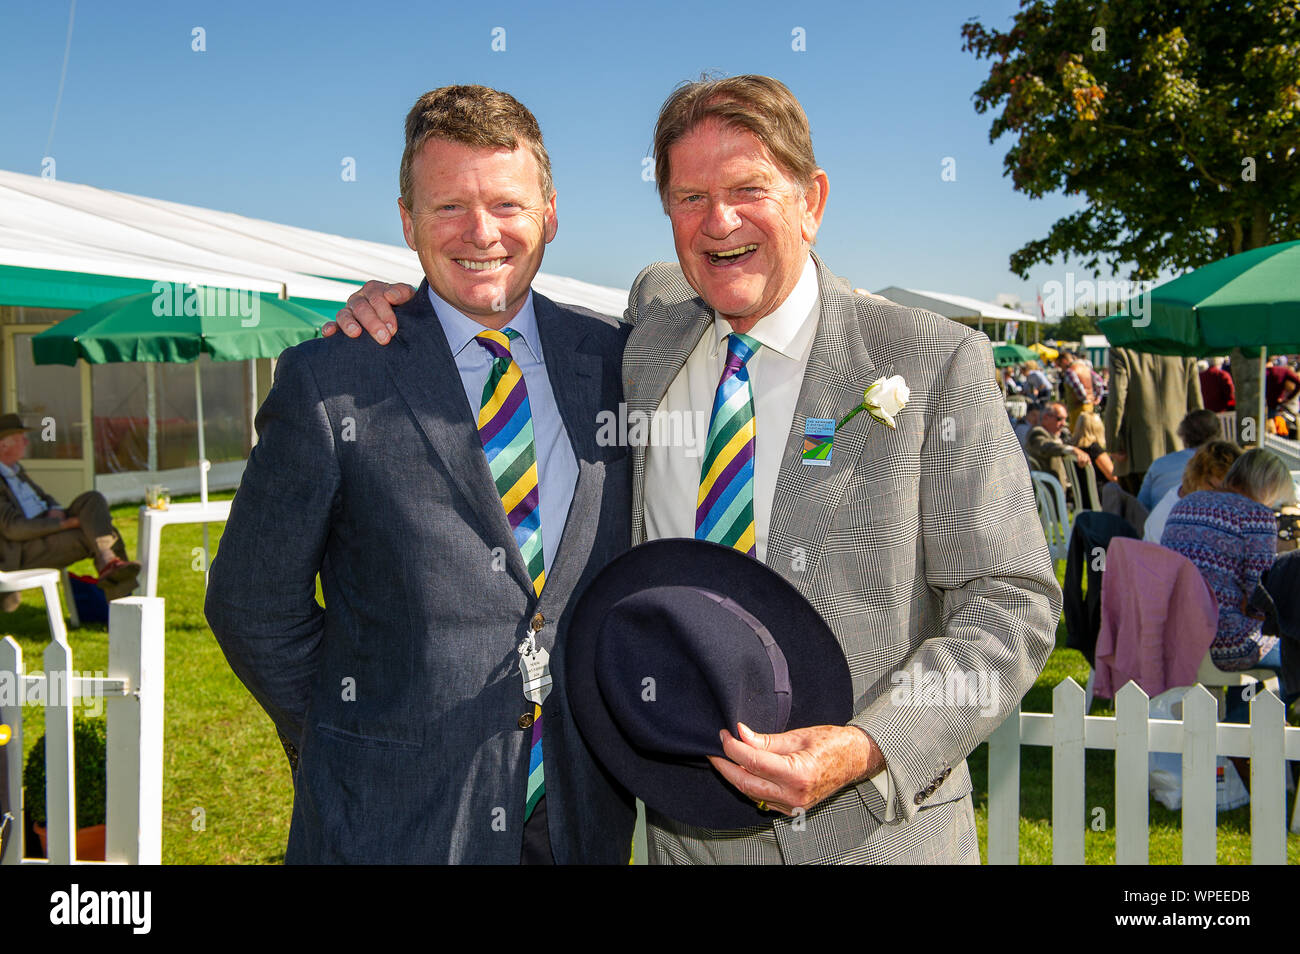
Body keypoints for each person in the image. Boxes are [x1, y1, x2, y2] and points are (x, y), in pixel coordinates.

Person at [330, 74, 1060, 865]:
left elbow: (1010, 605)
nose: (719, 222)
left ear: (812, 200)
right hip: (684, 837)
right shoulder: (647, 340)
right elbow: (501, 311)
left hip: (874, 837)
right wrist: (410, 316)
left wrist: (868, 746)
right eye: (688, 197)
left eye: (750, 188)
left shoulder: (931, 360)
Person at [205, 85, 635, 864]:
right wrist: (350, 735)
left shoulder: (618, 362)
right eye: (447, 208)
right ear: (407, 220)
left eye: (507, 204)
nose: (481, 233)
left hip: (579, 811)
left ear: (551, 213)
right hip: (394, 822)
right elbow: (249, 601)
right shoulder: (333, 377)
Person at [1161, 448, 1295, 682]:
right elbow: (1261, 595)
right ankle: (1257, 715)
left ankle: (1244, 714)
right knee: (1292, 646)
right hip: (1224, 642)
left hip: (1174, 633)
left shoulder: (1187, 502)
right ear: (1268, 486)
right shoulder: (1258, 516)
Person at [0, 413, 139, 607]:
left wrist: (55, 509)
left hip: (47, 525)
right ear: (3, 445)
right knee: (105, 535)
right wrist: (63, 524)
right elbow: (14, 529)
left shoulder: (16, 471)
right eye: (20, 438)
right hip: (26, 547)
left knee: (93, 499)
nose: (26, 442)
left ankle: (108, 561)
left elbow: (43, 497)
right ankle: (124, 608)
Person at [1103, 346, 1204, 496]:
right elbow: (1197, 406)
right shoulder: (1184, 351)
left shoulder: (1122, 351)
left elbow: (1116, 402)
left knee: (1136, 515)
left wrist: (1114, 444)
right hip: (1180, 453)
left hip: (1136, 454)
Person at [1142, 440, 1241, 545]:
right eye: (1214, 488)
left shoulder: (1199, 502)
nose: (1222, 497)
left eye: (1229, 491)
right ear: (1197, 477)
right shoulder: (1169, 518)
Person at [1136, 408, 1221, 511]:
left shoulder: (1159, 464)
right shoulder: (1225, 464)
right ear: (1218, 434)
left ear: (1183, 436)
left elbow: (1141, 507)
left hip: (1159, 523)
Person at [1027, 402, 1092, 498]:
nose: (1064, 424)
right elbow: (1047, 447)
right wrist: (1072, 449)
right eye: (1059, 419)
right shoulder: (1037, 433)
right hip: (1049, 495)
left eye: (1066, 419)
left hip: (1063, 493)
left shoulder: (1061, 435)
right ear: (1046, 418)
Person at [1070, 410, 1117, 494]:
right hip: (1100, 497)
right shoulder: (1095, 450)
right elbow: (1114, 477)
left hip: (1081, 496)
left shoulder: (1072, 449)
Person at [1055, 351, 1095, 432]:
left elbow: (1078, 388)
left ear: (1064, 361)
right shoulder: (1085, 367)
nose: (1060, 368)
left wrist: (1083, 399)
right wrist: (1096, 398)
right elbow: (1098, 381)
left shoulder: (1070, 371)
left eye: (1059, 365)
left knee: (1077, 435)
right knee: (1088, 433)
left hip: (1078, 409)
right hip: (1089, 406)